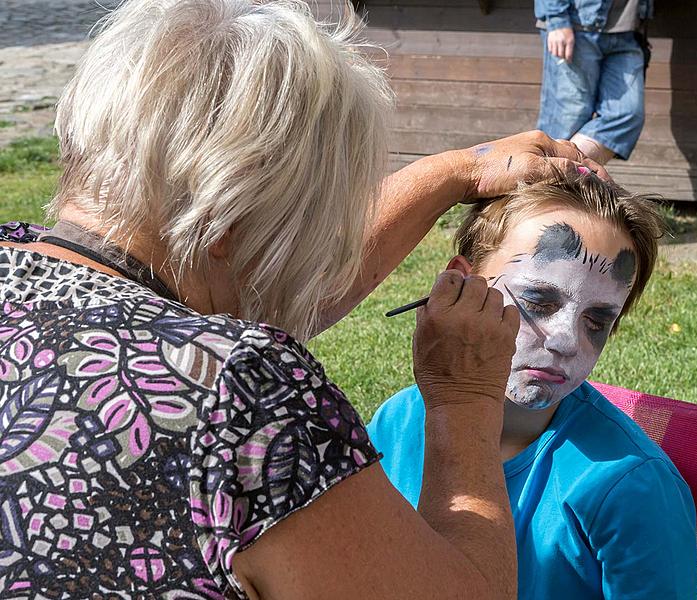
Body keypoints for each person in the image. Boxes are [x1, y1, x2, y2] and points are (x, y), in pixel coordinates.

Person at [0, 0, 605, 597]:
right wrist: (467, 399)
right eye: (321, 231)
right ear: (227, 221)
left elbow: (221, 302)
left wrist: (457, 172)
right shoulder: (238, 391)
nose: (323, 263)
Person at [367, 173, 697, 599]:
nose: (564, 340)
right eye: (539, 303)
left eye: (596, 321)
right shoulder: (397, 421)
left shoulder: (631, 487)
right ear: (459, 286)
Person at [535, 0, 652, 164]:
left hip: (627, 28)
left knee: (627, 114)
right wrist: (557, 19)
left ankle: (558, 177)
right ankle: (547, 181)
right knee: (568, 118)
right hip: (576, 23)